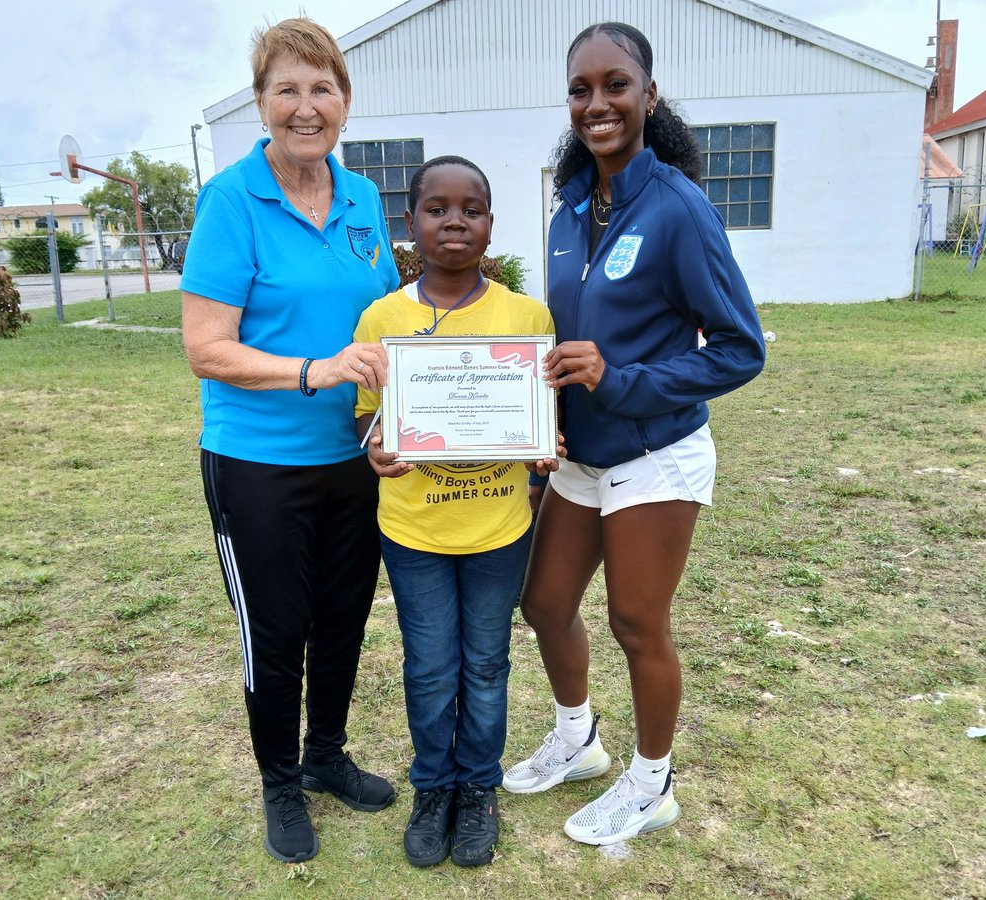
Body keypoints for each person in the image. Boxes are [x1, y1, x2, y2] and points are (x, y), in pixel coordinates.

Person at [502, 22, 766, 846]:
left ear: (649, 96)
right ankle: (578, 739)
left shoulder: (679, 208)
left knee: (635, 624)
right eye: (581, 89)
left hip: (658, 453)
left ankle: (653, 784)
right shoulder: (570, 205)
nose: (597, 103)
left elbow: (739, 349)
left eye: (615, 85)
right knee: (543, 602)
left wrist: (622, 383)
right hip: (583, 456)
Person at [180, 18, 401, 864]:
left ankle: (324, 757)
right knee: (275, 635)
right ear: (262, 102)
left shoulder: (362, 198)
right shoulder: (232, 200)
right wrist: (315, 371)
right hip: (257, 464)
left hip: (353, 460)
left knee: (342, 621)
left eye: (323, 89)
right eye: (288, 90)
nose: (306, 108)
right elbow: (207, 347)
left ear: (344, 100)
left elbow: (383, 318)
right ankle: (279, 782)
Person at [353, 156, 558, 868]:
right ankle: (433, 786)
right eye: (437, 208)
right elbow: (368, 420)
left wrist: (543, 445)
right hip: (414, 529)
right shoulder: (383, 316)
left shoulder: (528, 317)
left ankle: (478, 787)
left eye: (471, 209)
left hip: (500, 527)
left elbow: (543, 415)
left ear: (490, 227)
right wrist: (376, 447)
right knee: (432, 668)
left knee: (488, 663)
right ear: (412, 223)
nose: (454, 221)